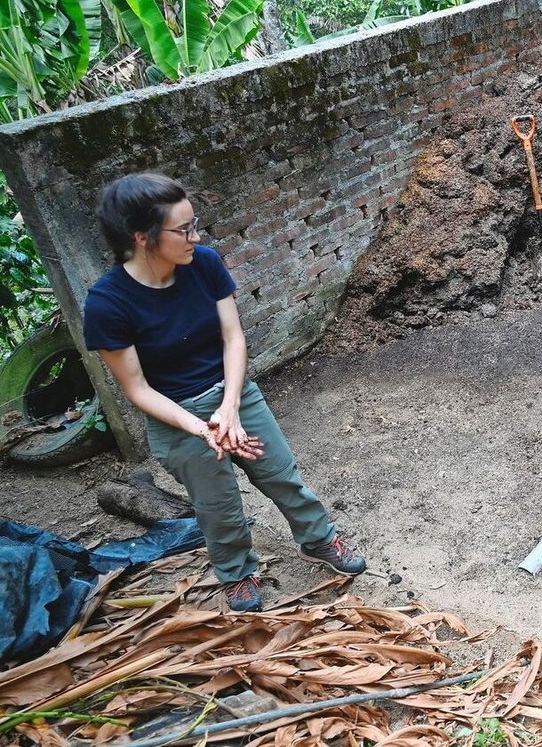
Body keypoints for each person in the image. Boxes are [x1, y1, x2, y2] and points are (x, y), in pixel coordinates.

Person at [82, 173, 366, 613]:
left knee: (280, 474)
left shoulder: (205, 264)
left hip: (233, 393)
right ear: (142, 237)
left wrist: (230, 406)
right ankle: (236, 572)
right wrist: (204, 428)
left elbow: (233, 338)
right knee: (217, 505)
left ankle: (319, 540)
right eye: (184, 229)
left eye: (196, 224)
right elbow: (136, 388)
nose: (196, 237)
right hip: (176, 415)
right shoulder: (106, 304)